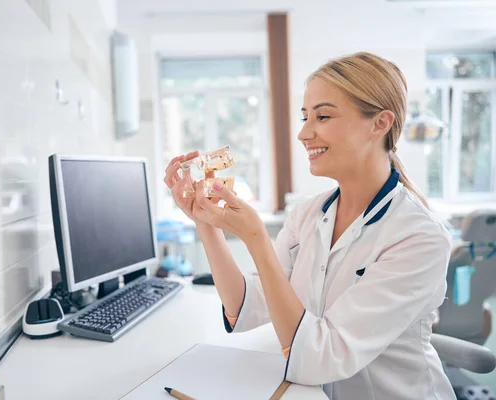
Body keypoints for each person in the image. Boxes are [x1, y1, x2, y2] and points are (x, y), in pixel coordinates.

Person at [163, 52, 456, 399]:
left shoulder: (419, 237)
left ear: (380, 124)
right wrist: (205, 222)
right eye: (305, 117)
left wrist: (257, 237)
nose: (303, 133)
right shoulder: (307, 215)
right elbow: (247, 306)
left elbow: (322, 356)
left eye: (323, 116)